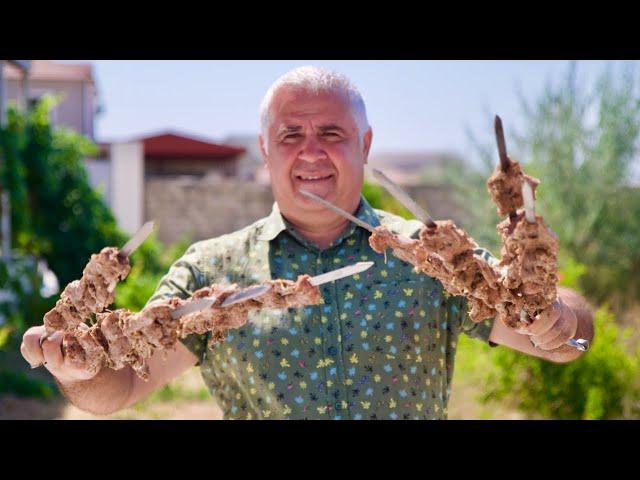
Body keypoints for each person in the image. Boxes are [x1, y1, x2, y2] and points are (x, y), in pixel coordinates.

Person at [20, 66, 594, 420]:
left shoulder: (434, 257)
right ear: (266, 150)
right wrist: (79, 372)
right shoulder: (209, 268)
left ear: (365, 144)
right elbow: (122, 386)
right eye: (291, 135)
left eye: (333, 133)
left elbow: (555, 332)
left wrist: (561, 324)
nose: (311, 152)